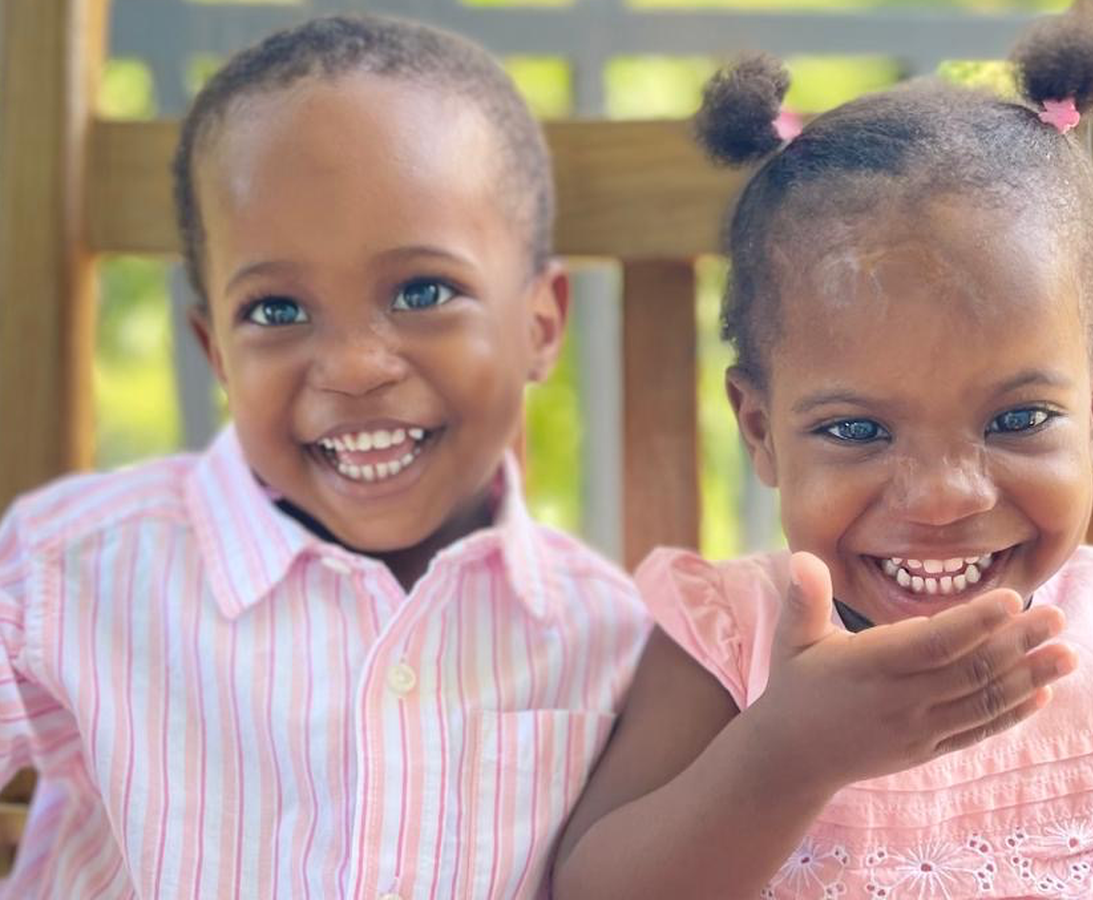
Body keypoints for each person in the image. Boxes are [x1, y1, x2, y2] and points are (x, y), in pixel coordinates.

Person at [554, 6, 1093, 899]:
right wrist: (786, 754)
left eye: (1017, 419)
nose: (942, 497)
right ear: (760, 430)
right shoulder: (728, 640)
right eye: (858, 431)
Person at [0, 15, 647, 898]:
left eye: (423, 291)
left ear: (541, 324)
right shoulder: (71, 570)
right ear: (216, 353)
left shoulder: (608, 635)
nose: (352, 366)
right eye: (276, 310)